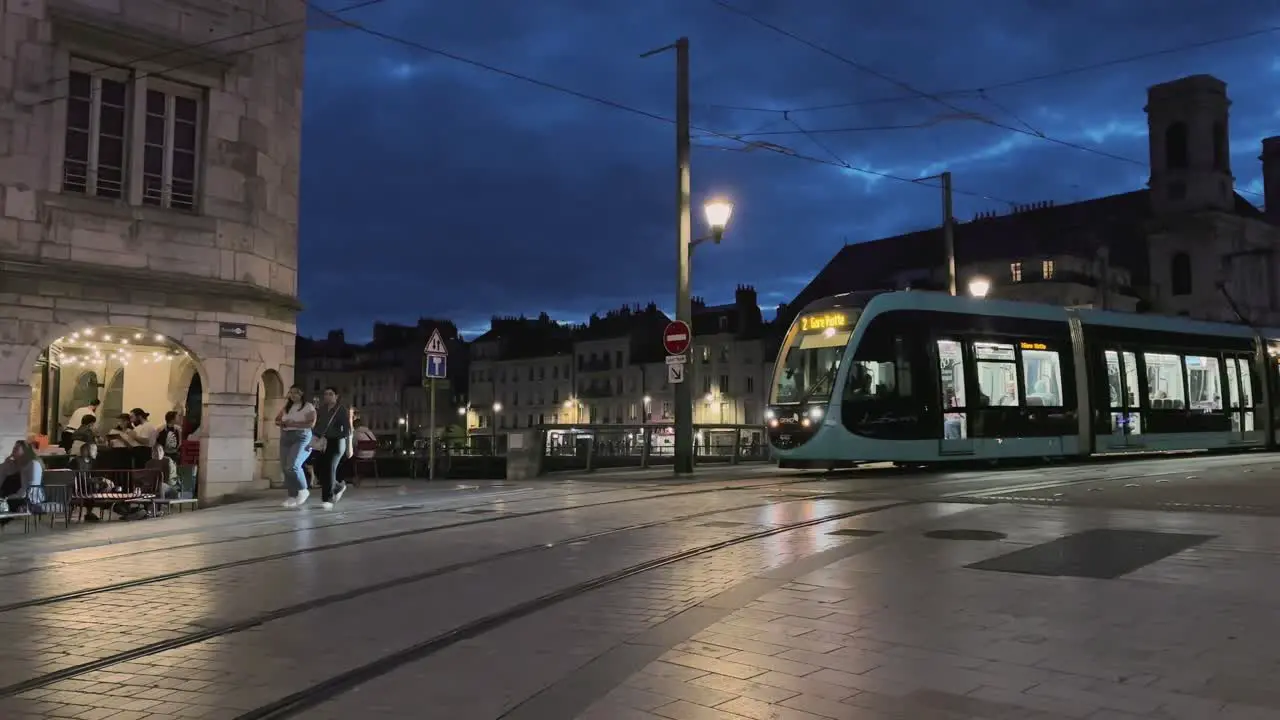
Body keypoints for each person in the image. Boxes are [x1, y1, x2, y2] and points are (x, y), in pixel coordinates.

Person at [275, 385, 316, 508]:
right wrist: (283, 423)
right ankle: (292, 496)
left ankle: (303, 489)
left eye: (296, 393)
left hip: (301, 436)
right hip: (286, 436)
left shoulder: (308, 407)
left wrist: (294, 423)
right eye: (291, 393)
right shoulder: (287, 407)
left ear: (302, 394)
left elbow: (311, 423)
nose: (293, 395)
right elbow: (277, 420)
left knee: (293, 465)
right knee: (285, 467)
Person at [312, 386, 353, 510]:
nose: (327, 396)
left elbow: (347, 429)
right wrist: (314, 438)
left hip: (337, 442)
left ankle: (327, 498)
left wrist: (348, 446)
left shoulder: (341, 410)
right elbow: (318, 426)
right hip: (324, 441)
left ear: (336, 396)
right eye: (325, 394)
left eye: (330, 394)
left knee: (330, 467)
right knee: (318, 467)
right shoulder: (322, 410)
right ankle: (337, 487)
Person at [0, 440, 44, 525]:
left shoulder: (33, 464)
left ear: (25, 451)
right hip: (20, 495)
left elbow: (32, 487)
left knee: (5, 503)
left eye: (17, 448)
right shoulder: (21, 465)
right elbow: (4, 472)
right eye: (13, 448)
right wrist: (7, 462)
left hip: (30, 498)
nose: (13, 450)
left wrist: (15, 496)